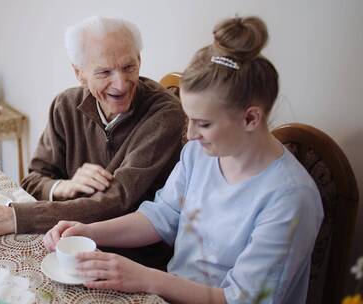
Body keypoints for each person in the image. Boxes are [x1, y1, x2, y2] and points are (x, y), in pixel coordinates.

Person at [43, 16, 323, 303]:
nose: (190, 135)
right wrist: (88, 231)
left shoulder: (290, 198)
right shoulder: (199, 154)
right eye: (189, 119)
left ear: (250, 118)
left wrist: (144, 277)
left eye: (203, 124)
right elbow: (161, 216)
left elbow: (243, 299)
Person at [0, 16, 185, 239]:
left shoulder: (164, 114)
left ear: (139, 60)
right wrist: (64, 187)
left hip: (131, 251)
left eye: (129, 67)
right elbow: (32, 181)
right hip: (66, 237)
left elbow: (117, 202)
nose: (120, 84)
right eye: (104, 72)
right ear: (79, 73)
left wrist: (19, 218)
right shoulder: (65, 105)